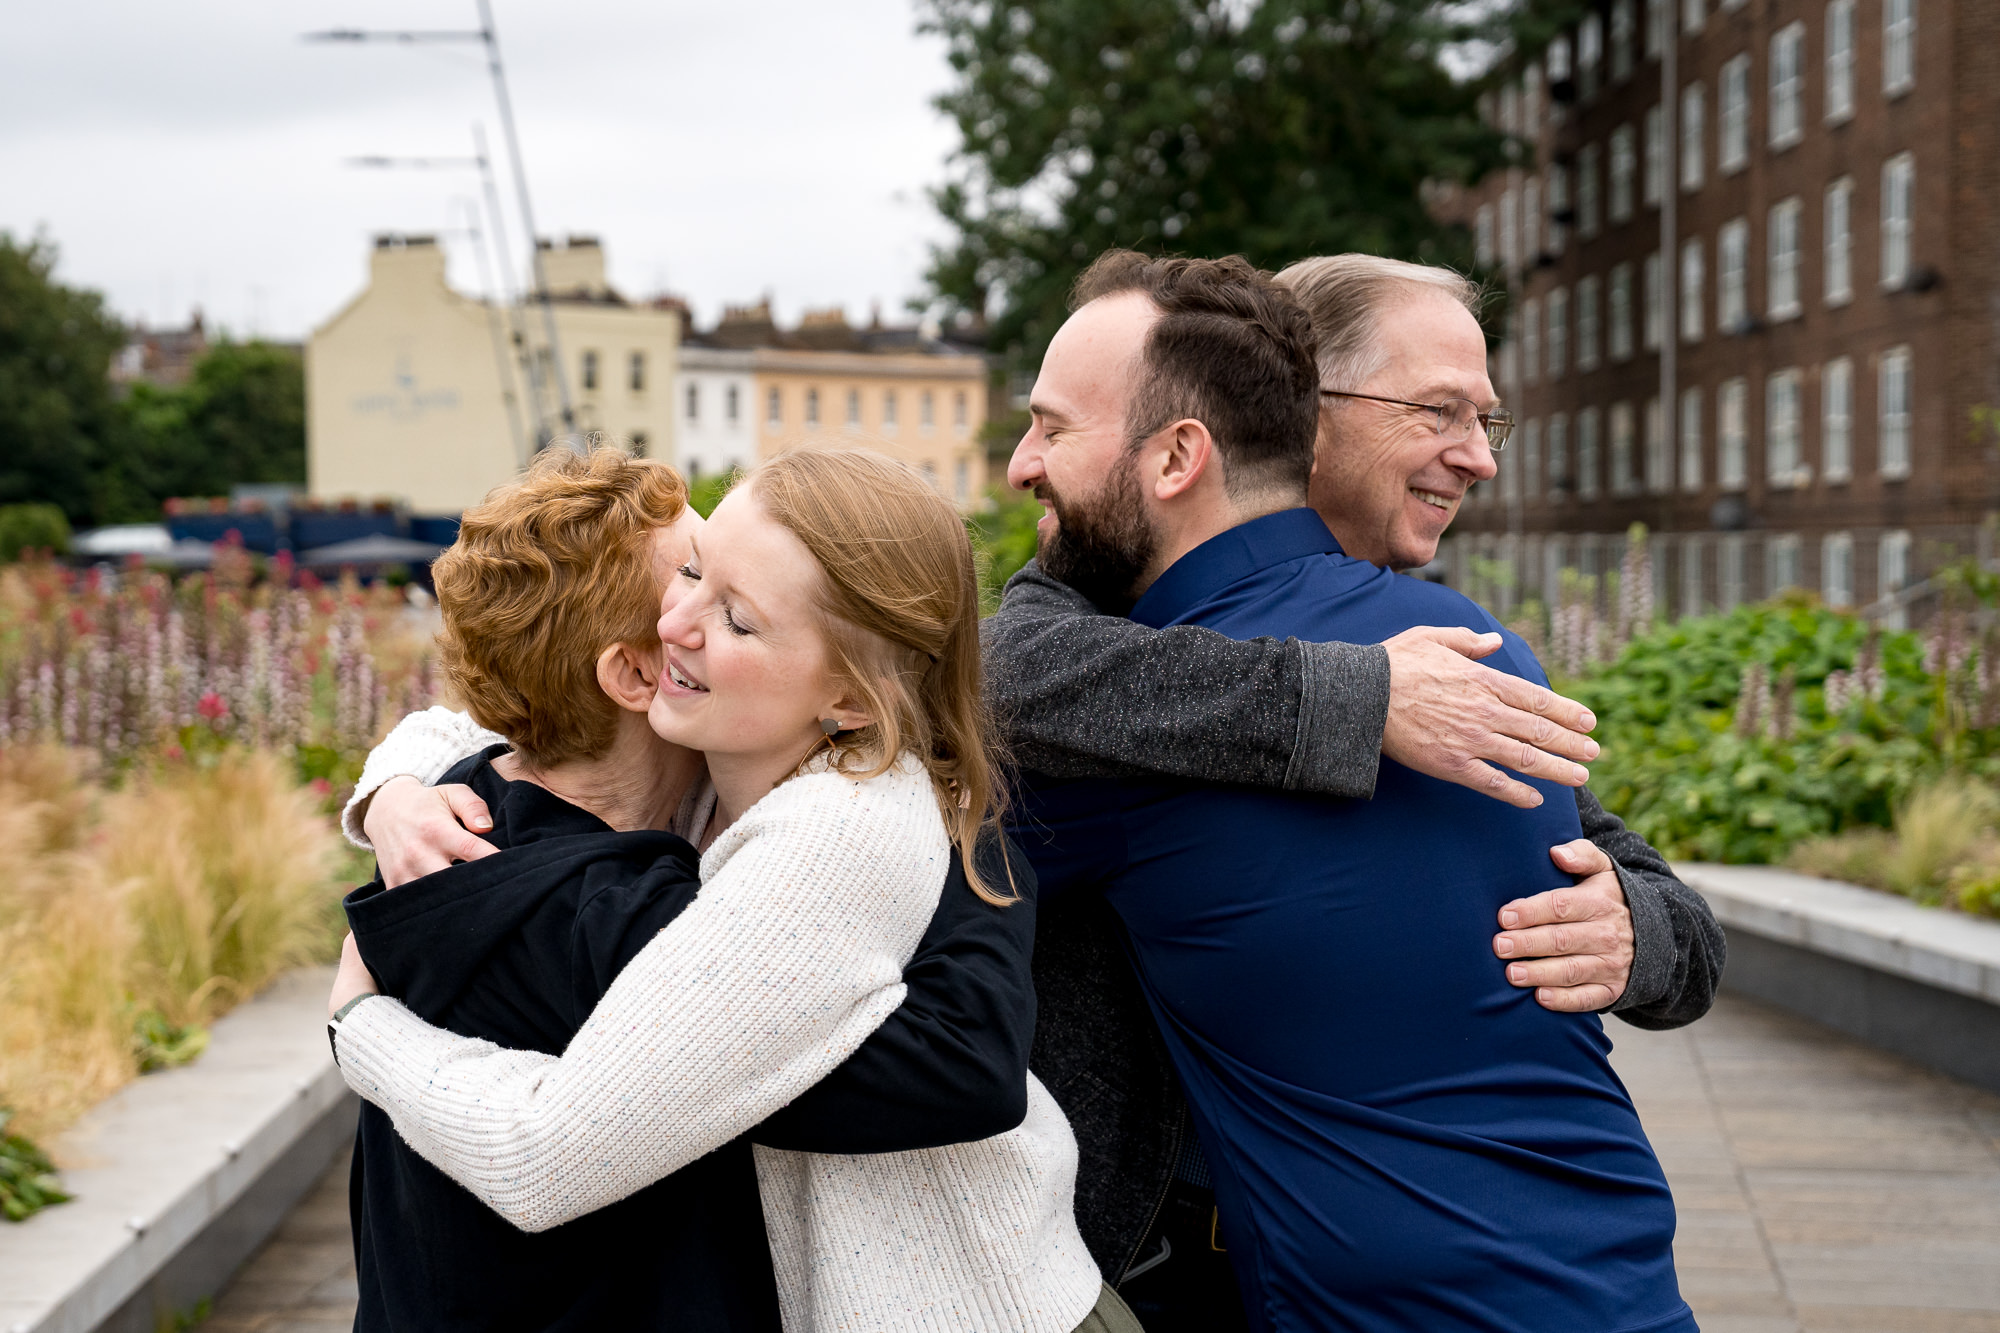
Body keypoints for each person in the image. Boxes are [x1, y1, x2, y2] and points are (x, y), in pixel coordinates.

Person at [982, 254, 1724, 1321]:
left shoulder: (1461, 672)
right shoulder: (1451, 659)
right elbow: (994, 665)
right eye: (1437, 411)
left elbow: (911, 729)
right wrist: (1350, 700)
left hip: (1364, 1286)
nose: (1476, 458)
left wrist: (1630, 927)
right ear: (1301, 412)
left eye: (1485, 420)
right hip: (1566, 1273)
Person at [329, 446, 1132, 1333]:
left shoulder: (816, 828)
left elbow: (964, 1065)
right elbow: (473, 720)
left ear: (850, 695)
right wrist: (393, 792)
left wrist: (360, 1027)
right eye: (693, 572)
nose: (683, 618)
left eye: (734, 611)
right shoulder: (704, 774)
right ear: (633, 676)